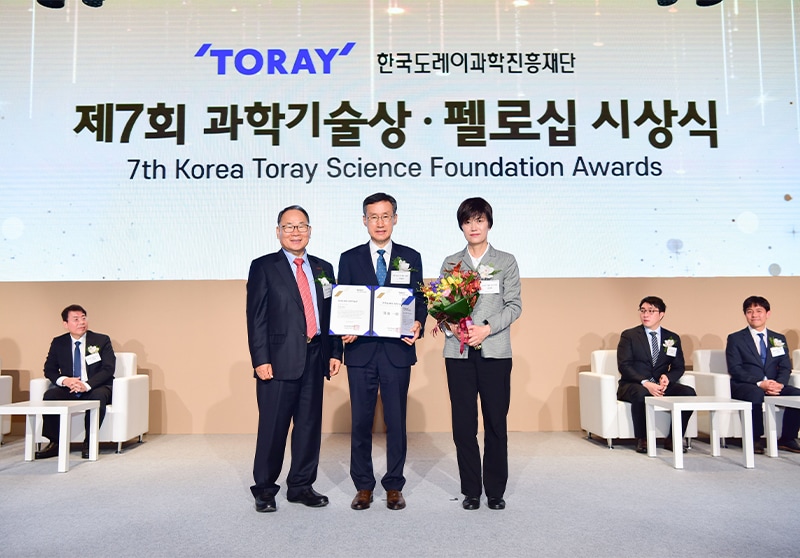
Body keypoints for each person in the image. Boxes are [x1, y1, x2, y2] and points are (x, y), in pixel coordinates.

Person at [246, 205, 343, 513]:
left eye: (301, 226)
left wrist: (335, 351)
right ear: (278, 232)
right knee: (273, 428)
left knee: (309, 426)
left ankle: (301, 486)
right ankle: (264, 488)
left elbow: (332, 315)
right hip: (277, 361)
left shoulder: (324, 268)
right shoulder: (263, 266)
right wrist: (260, 359)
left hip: (315, 357)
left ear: (310, 231)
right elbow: (256, 318)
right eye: (289, 227)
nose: (296, 232)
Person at [338, 192, 426, 511]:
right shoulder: (349, 258)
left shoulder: (410, 256)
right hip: (360, 352)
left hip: (396, 352)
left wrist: (417, 322)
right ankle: (363, 485)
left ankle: (394, 485)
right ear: (364, 221)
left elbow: (421, 299)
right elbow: (342, 300)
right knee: (360, 421)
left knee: (396, 421)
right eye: (373, 217)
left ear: (395, 219)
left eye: (385, 216)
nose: (379, 222)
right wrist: (343, 327)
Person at [439, 197, 521, 511]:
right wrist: (456, 330)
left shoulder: (506, 260)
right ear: (461, 226)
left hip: (495, 352)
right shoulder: (451, 262)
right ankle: (471, 490)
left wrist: (486, 328)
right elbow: (442, 307)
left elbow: (515, 305)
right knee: (463, 425)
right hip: (458, 354)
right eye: (467, 221)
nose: (474, 227)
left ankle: (495, 490)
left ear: (488, 222)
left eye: (479, 220)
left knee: (496, 424)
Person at [35, 304, 115, 460]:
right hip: (70, 387)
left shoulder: (101, 340)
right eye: (76, 319)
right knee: (50, 395)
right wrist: (65, 381)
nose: (81, 323)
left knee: (98, 397)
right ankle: (55, 442)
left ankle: (89, 442)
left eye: (83, 318)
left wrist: (86, 385)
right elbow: (49, 369)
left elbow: (108, 369)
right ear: (66, 324)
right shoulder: (59, 342)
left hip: (95, 386)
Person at [617, 296, 695, 454]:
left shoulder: (672, 338)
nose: (646, 315)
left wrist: (668, 378)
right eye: (643, 311)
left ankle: (673, 438)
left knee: (689, 393)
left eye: (651, 311)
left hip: (661, 385)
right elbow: (624, 365)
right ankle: (643, 439)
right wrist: (645, 382)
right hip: (634, 384)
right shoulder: (629, 336)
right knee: (641, 394)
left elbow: (678, 367)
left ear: (661, 314)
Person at [726, 295, 800, 454]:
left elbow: (785, 366)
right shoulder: (736, 338)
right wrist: (760, 383)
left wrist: (779, 384)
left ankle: (787, 438)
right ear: (745, 315)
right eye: (749, 311)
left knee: (798, 395)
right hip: (747, 385)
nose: (754, 315)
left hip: (774, 384)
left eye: (759, 311)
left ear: (768, 314)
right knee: (756, 394)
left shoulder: (778, 338)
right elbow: (735, 368)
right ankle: (755, 438)